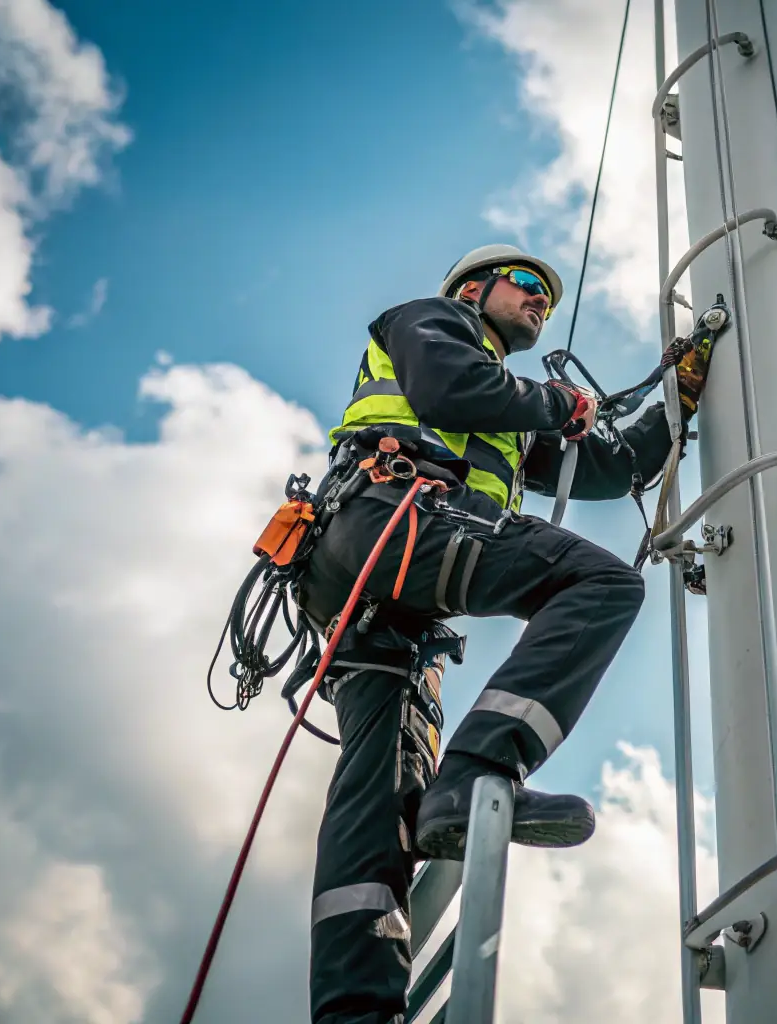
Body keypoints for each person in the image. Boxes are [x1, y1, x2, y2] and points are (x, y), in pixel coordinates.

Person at [297, 244, 706, 1023]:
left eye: (546, 299)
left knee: (375, 795)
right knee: (600, 582)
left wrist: (677, 400)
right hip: (392, 519)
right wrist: (556, 403)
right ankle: (478, 770)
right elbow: (447, 385)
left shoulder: (509, 416)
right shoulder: (431, 321)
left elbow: (605, 469)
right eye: (525, 287)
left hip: (373, 588)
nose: (538, 302)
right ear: (472, 290)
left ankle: (354, 1010)